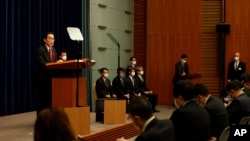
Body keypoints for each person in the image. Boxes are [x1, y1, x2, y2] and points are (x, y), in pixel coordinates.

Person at [36, 32, 58, 114]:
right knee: (42, 101)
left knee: (50, 100)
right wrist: (54, 64)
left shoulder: (54, 50)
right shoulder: (40, 49)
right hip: (43, 80)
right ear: (45, 40)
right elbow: (42, 62)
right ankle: (40, 119)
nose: (52, 41)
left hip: (52, 79)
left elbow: (54, 62)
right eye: (50, 38)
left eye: (53, 39)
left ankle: (49, 118)